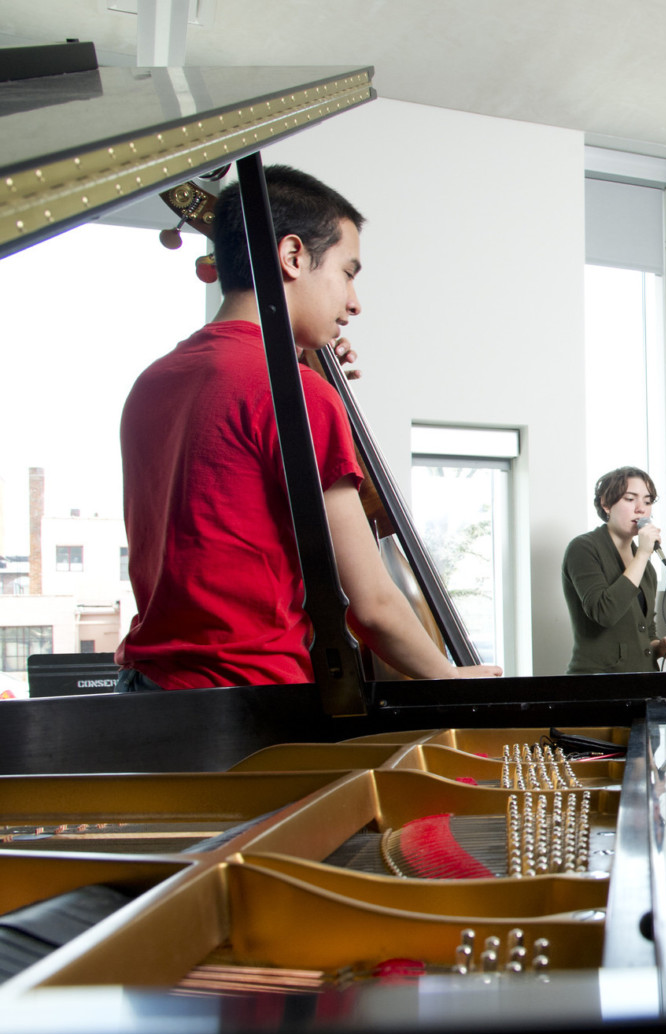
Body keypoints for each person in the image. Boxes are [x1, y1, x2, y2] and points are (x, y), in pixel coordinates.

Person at [116, 165, 500, 690]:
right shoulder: (295, 393)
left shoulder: (151, 382)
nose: (354, 302)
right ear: (293, 257)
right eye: (348, 272)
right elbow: (373, 604)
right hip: (252, 708)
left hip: (147, 695)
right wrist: (451, 677)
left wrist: (302, 360)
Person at [561, 466, 666, 674]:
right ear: (606, 504)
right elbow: (604, 613)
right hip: (599, 684)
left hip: (643, 682)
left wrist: (658, 646)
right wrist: (643, 554)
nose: (641, 509)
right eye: (630, 499)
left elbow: (646, 629)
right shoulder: (583, 548)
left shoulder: (645, 565)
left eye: (647, 501)